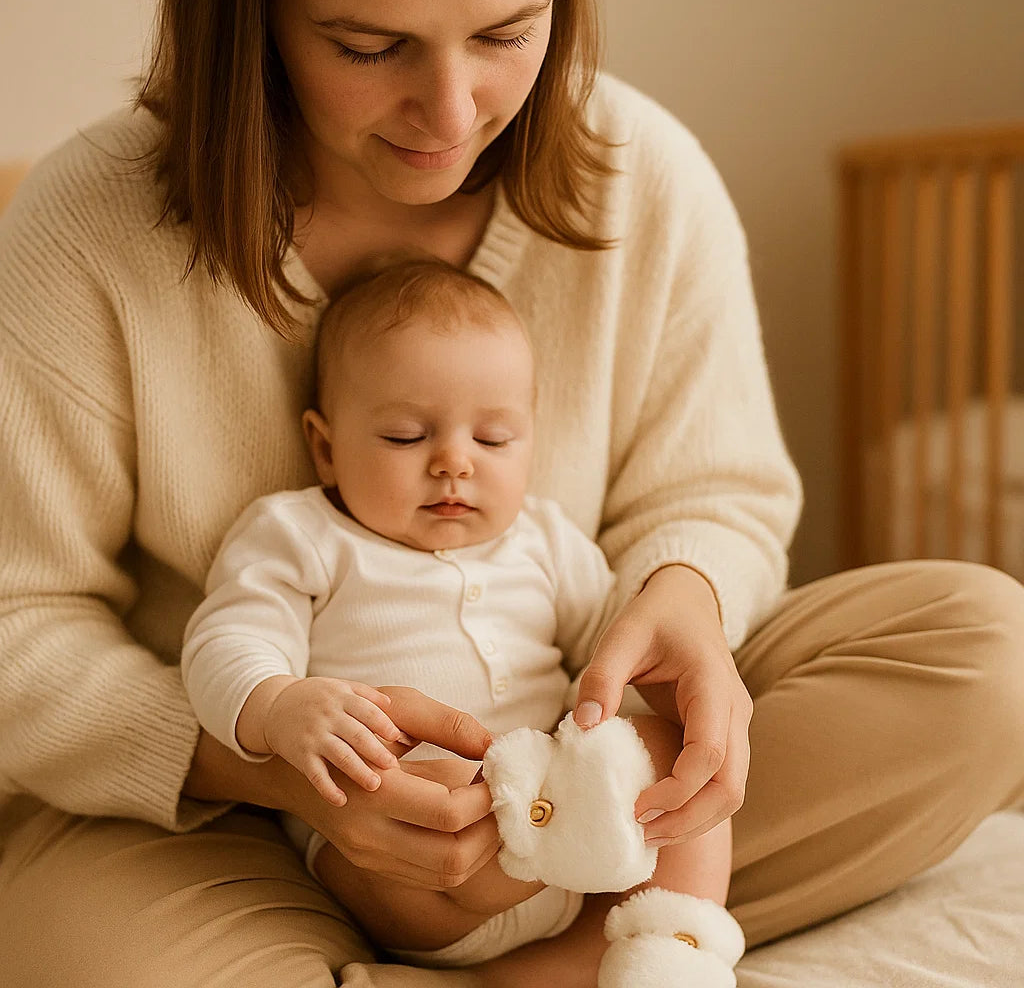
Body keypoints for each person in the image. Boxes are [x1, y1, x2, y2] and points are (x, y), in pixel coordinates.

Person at [1, 0, 1022, 985]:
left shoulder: (645, 178)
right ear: (248, 11)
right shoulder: (88, 227)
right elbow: (19, 620)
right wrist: (286, 767)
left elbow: (714, 494)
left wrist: (682, 605)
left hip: (569, 801)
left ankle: (583, 953)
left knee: (987, 657)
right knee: (101, 956)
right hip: (225, 814)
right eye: (368, 47)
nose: (452, 112)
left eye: (506, 35)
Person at [180, 256, 735, 968]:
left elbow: (617, 643)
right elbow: (225, 642)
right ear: (325, 447)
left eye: (493, 439)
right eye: (405, 436)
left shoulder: (544, 541)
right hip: (400, 864)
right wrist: (277, 704)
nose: (454, 463)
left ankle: (676, 944)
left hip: (571, 849)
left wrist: (628, 722)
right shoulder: (301, 535)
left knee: (678, 746)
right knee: (430, 785)